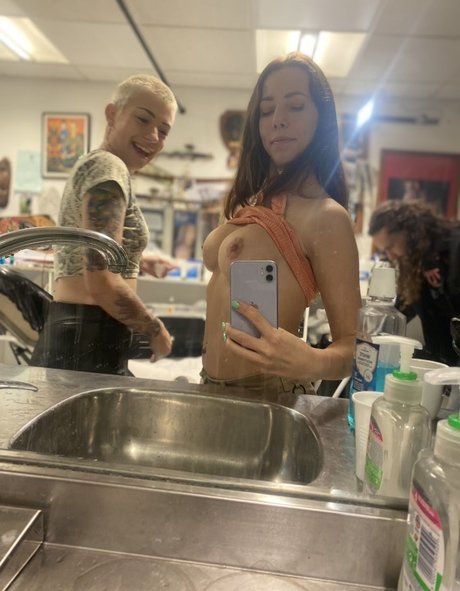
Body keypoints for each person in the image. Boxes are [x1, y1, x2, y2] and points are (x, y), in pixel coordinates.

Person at [201, 52, 361, 402]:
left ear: (321, 118)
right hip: (210, 389)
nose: (278, 120)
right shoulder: (253, 201)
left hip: (269, 399)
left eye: (296, 106)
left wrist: (313, 361)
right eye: (267, 110)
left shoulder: (326, 217)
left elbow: (357, 348)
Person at [31, 74, 178, 375]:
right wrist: (154, 329)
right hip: (86, 339)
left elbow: (89, 251)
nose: (153, 136)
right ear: (113, 114)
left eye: (163, 130)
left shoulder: (98, 164)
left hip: (79, 337)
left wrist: (137, 259)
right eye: (143, 119)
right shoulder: (109, 167)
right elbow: (101, 281)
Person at [369, 200, 460, 365]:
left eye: (391, 246)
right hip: (442, 363)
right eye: (385, 251)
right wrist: (372, 338)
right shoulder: (414, 261)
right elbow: (404, 307)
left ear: (408, 231)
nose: (391, 256)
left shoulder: (454, 246)